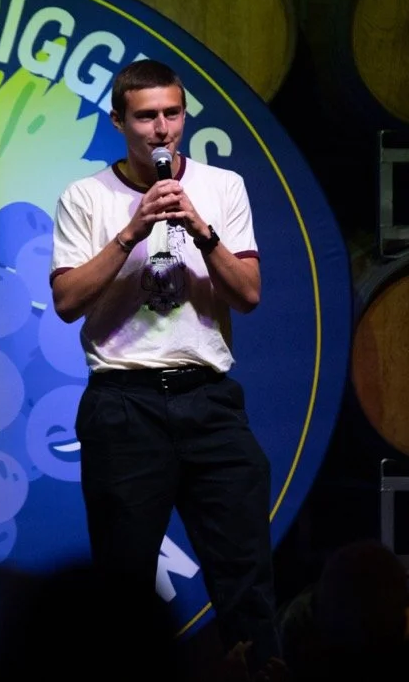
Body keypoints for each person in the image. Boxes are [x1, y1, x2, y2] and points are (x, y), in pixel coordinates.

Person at [49, 58, 279, 672]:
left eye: (172, 115)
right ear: (120, 121)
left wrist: (200, 230)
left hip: (208, 397)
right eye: (146, 117)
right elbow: (68, 302)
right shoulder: (86, 196)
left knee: (246, 573)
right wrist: (132, 231)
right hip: (125, 404)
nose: (161, 130)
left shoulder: (221, 186)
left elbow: (249, 294)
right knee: (123, 588)